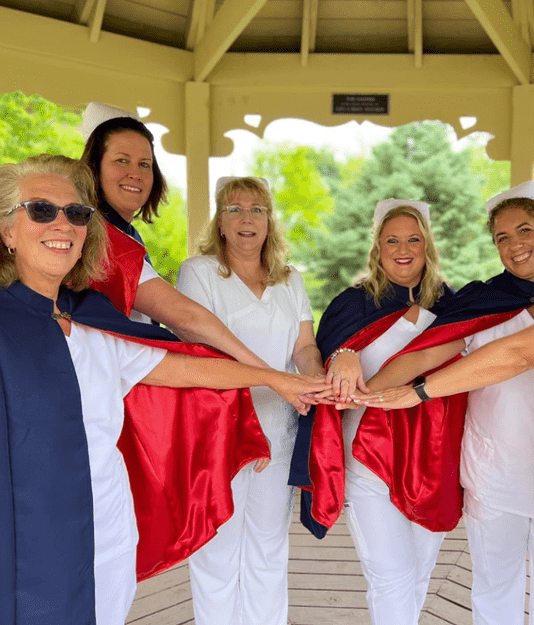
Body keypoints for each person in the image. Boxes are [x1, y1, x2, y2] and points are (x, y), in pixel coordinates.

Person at [0, 154, 326, 625]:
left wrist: (277, 379)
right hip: (30, 528)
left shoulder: (96, 323)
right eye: (41, 210)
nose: (62, 224)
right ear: (7, 231)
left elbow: (187, 370)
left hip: (109, 523)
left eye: (76, 213)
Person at [360, 139, 534, 624]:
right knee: (493, 583)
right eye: (501, 238)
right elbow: (423, 353)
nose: (514, 245)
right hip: (493, 471)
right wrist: (366, 392)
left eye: (524, 230)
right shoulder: (479, 302)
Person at [290, 199, 457, 624]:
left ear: (428, 245)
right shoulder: (353, 303)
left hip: (431, 459)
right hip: (367, 459)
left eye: (413, 239)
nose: (403, 249)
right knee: (392, 576)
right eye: (392, 240)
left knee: (418, 574)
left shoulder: (452, 305)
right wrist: (343, 353)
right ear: (377, 248)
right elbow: (324, 367)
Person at [177, 176, 324, 625]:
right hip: (220, 433)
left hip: (277, 431)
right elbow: (201, 348)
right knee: (217, 552)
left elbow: (304, 347)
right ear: (220, 222)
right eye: (235, 209)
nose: (246, 218)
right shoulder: (199, 272)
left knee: (267, 550)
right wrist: (279, 380)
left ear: (269, 221)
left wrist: (314, 380)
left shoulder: (289, 278)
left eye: (257, 209)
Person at [78, 102, 270, 367]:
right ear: (94, 168)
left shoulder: (127, 233)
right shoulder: (100, 236)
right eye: (121, 160)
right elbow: (184, 318)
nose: (135, 173)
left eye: (145, 164)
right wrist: (266, 373)